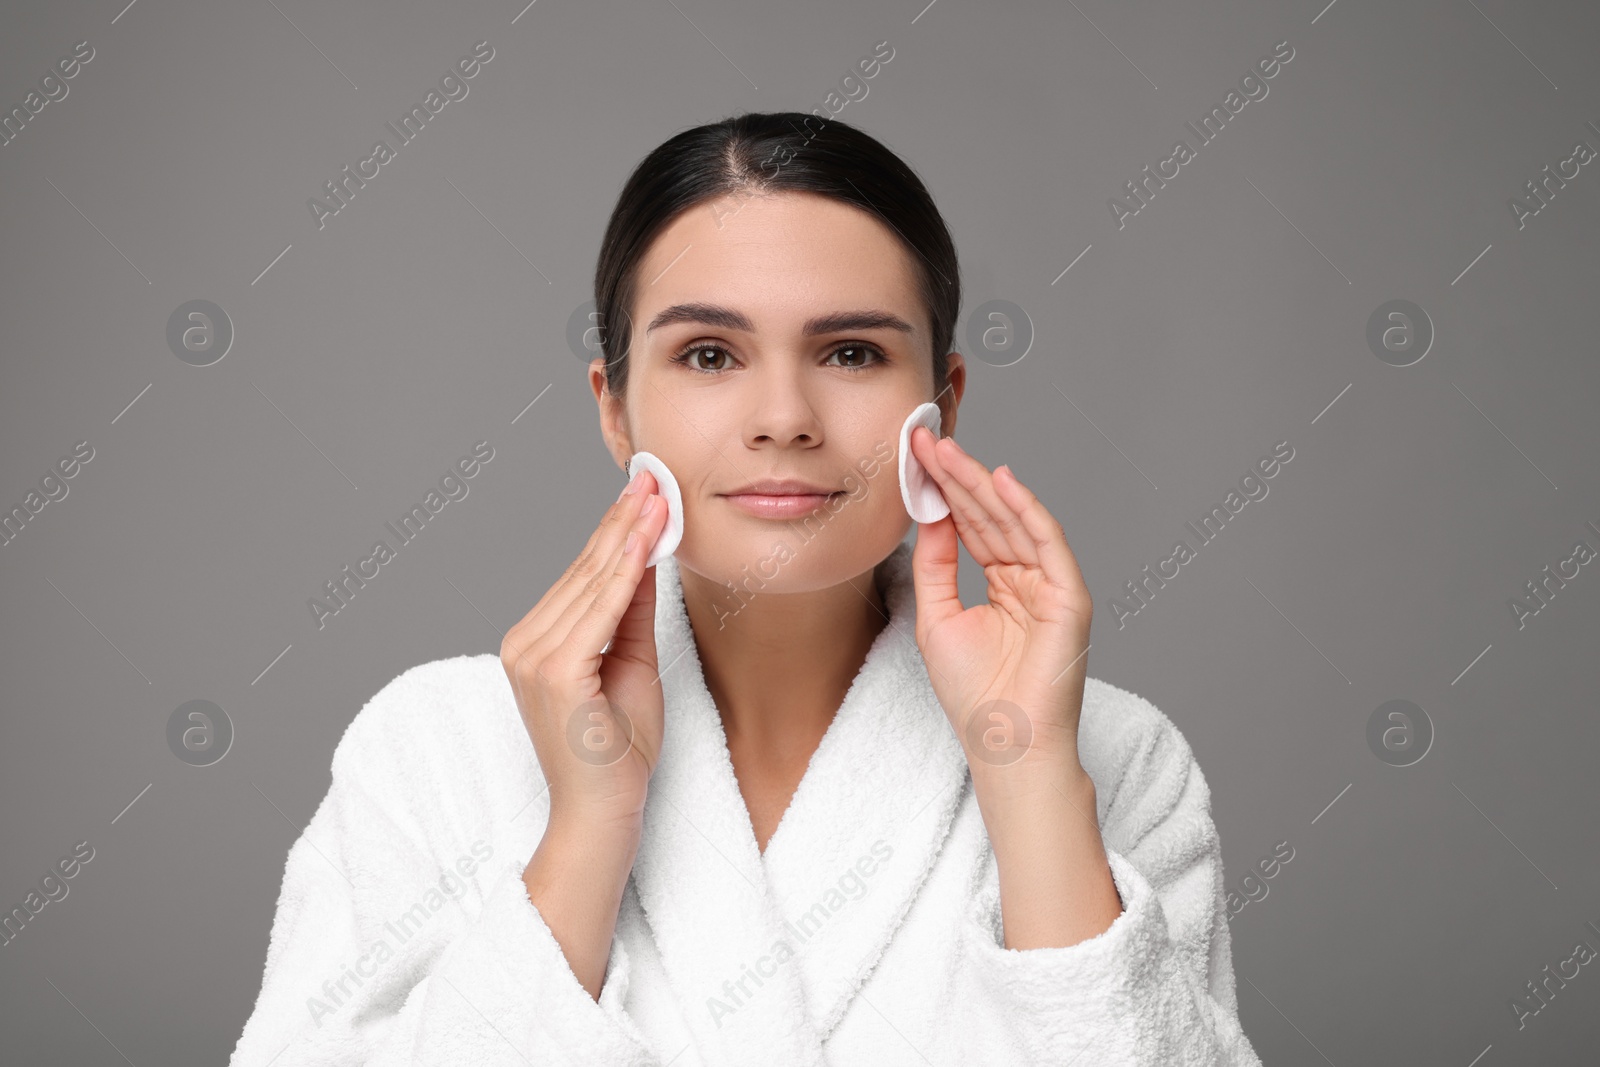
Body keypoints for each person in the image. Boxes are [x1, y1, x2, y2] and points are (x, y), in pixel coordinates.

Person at [227, 111, 1263, 1066]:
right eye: (709, 353)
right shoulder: (430, 751)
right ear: (616, 410)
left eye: (851, 351)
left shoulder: (1118, 761)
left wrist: (1029, 771)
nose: (783, 416)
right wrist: (586, 832)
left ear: (940, 402)